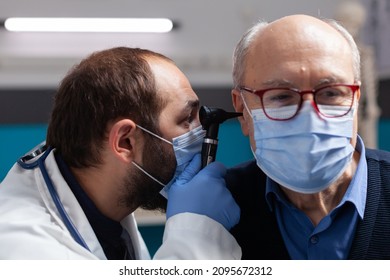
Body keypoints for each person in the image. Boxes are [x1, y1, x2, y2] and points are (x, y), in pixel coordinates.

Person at [0, 47, 241, 260]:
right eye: (186, 119)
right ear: (125, 142)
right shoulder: (25, 251)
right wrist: (196, 234)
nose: (201, 131)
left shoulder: (104, 207)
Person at [227, 14, 390, 259]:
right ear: (242, 111)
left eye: (331, 93)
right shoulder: (222, 212)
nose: (310, 117)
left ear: (356, 99)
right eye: (281, 96)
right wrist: (190, 227)